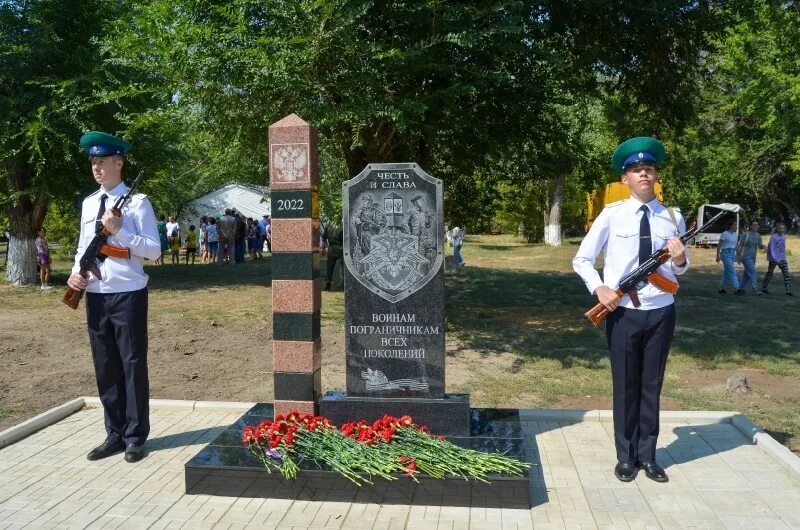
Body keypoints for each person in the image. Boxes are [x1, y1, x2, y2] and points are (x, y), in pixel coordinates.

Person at [573, 137, 688, 484]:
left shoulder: (673, 216)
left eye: (649, 169)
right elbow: (581, 259)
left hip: (661, 310)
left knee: (651, 384)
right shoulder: (611, 216)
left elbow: (681, 269)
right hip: (622, 312)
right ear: (625, 179)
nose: (643, 174)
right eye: (636, 170)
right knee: (626, 385)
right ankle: (626, 457)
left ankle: (648, 456)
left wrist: (680, 257)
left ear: (656, 176)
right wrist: (601, 288)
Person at [67, 131, 160, 463]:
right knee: (105, 366)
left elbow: (154, 250)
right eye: (93, 162)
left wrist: (120, 230)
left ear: (119, 162)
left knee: (132, 365)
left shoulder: (138, 203)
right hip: (96, 294)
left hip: (128, 293)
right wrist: (76, 273)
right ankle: (114, 433)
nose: (97, 167)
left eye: (103, 161)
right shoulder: (90, 203)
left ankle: (135, 436)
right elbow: (83, 246)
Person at [762, 222, 793, 296]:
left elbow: (783, 247)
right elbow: (771, 248)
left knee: (786, 274)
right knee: (770, 273)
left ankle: (788, 291)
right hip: (774, 259)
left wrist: (783, 256)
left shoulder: (784, 236)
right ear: (777, 229)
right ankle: (764, 288)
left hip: (782, 258)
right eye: (780, 228)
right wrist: (775, 259)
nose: (782, 230)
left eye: (783, 228)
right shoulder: (773, 237)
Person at [737, 220, 763, 294]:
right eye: (754, 225)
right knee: (753, 271)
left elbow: (760, 245)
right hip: (745, 256)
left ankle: (741, 289)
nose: (756, 226)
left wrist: (764, 246)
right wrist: (739, 255)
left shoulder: (758, 235)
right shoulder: (745, 234)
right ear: (751, 226)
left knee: (746, 274)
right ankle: (755, 289)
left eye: (757, 225)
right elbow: (740, 245)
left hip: (753, 257)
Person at [715, 218, 740, 294]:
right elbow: (719, 246)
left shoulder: (735, 235)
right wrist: (717, 256)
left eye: (736, 225)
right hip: (725, 254)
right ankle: (737, 288)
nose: (736, 226)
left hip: (732, 254)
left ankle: (721, 289)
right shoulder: (724, 234)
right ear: (730, 226)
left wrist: (739, 255)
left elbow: (735, 246)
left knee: (727, 272)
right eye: (735, 225)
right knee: (732, 271)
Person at [322, 217, 343, 291]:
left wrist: (323, 248)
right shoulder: (343, 224)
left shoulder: (328, 223)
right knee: (342, 267)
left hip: (331, 248)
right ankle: (343, 285)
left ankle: (327, 285)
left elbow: (324, 237)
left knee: (329, 268)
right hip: (341, 248)